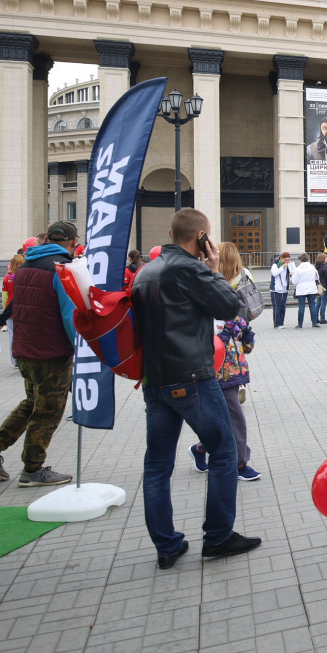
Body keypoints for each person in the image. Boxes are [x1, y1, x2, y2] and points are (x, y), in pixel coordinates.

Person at [132, 208, 261, 568]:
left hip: (155, 380)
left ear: (171, 233)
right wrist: (214, 266)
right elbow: (230, 306)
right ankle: (218, 536)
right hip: (191, 377)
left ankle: (167, 545)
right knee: (224, 452)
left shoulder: (146, 271)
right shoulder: (190, 269)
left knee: (157, 465)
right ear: (202, 237)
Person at [0, 222, 79, 486]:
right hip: (51, 351)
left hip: (26, 348)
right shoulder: (61, 268)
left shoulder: (26, 266)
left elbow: (17, 304)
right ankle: (33, 469)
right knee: (49, 410)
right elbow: (69, 314)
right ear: (72, 242)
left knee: (32, 403)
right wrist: (81, 347)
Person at [191, 242, 263, 482]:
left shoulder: (234, 285)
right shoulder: (204, 287)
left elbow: (242, 327)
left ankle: (204, 449)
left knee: (227, 416)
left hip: (231, 364)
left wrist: (244, 334)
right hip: (212, 364)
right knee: (231, 417)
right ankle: (239, 463)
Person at [291, 252, 321, 327]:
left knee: (301, 306)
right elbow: (317, 278)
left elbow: (294, 281)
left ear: (300, 260)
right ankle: (314, 323)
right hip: (311, 288)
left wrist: (292, 276)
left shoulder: (297, 269)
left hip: (301, 289)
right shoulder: (312, 267)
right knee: (312, 305)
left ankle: (300, 324)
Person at [268, 252, 292, 327]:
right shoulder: (275, 265)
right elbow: (274, 273)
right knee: (277, 306)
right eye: (285, 260)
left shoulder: (288, 266)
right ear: (281, 258)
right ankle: (277, 324)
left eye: (288, 260)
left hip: (285, 289)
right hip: (276, 289)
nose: (286, 262)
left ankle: (281, 323)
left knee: (283, 306)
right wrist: (282, 267)